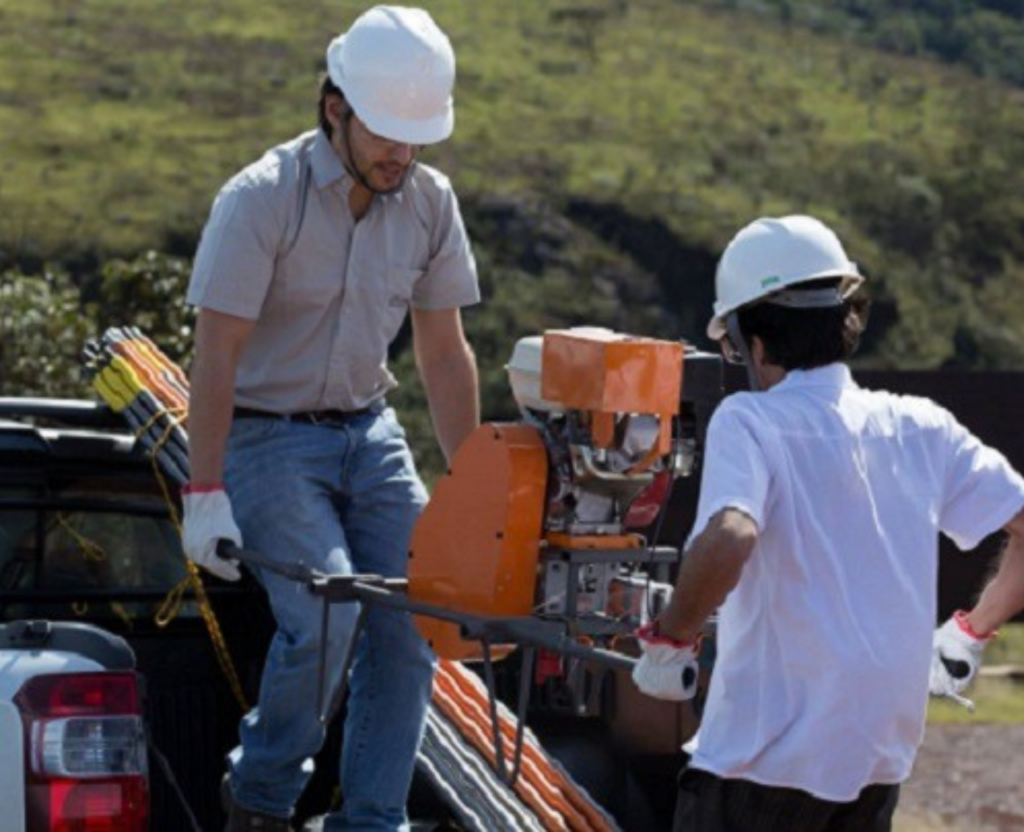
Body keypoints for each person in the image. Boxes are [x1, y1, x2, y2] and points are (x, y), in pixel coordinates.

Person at [181, 6, 480, 830]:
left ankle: (372, 821)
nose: (401, 155)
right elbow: (216, 354)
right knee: (328, 609)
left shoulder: (430, 203)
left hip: (370, 434)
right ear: (335, 108)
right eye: (386, 133)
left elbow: (444, 354)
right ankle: (259, 796)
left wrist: (472, 496)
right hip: (265, 437)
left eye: (416, 138)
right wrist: (204, 493)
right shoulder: (260, 199)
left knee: (412, 618)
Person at [631, 214, 1024, 831]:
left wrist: (670, 640)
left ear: (753, 340)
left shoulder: (750, 421)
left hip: (761, 771)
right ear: (845, 318)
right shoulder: (921, 425)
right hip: (874, 770)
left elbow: (731, 536)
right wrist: (969, 634)